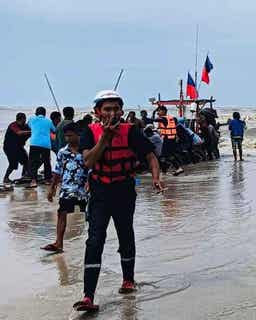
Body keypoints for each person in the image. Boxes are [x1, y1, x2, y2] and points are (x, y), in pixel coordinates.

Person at [72, 90, 164, 312]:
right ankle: (88, 296)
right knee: (95, 240)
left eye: (115, 109)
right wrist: (105, 137)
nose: (112, 113)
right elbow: (88, 162)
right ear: (97, 112)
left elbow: (151, 157)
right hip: (99, 192)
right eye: (107, 109)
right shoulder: (89, 133)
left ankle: (128, 279)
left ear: (122, 111)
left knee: (125, 233)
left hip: (123, 190)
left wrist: (156, 178)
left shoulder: (131, 132)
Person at [42, 122, 88, 253]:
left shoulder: (86, 150)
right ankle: (58, 243)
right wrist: (52, 188)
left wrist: (90, 181)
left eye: (70, 136)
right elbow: (57, 171)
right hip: (67, 188)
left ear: (78, 134)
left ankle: (92, 241)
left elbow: (93, 167)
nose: (68, 139)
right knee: (61, 213)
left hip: (84, 188)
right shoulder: (62, 152)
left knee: (90, 215)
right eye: (66, 136)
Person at [27, 106, 57, 188]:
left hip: (34, 143)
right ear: (44, 114)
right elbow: (54, 130)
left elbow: (29, 126)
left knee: (33, 162)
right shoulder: (49, 121)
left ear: (36, 113)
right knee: (47, 162)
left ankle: (33, 180)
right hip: (46, 144)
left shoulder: (31, 119)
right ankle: (47, 180)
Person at [154, 105, 184, 176]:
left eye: (159, 111)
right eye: (157, 111)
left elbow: (152, 120)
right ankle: (164, 172)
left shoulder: (163, 119)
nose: (158, 112)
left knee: (167, 155)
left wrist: (153, 112)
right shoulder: (170, 118)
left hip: (168, 139)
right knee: (164, 156)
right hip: (171, 139)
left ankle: (178, 168)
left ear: (164, 111)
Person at [3, 113, 31, 184]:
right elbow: (19, 133)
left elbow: (31, 131)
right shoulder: (13, 125)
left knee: (26, 160)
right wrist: (31, 132)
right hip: (9, 148)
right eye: (23, 120)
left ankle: (24, 176)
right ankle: (6, 178)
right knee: (13, 164)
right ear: (21, 119)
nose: (24, 121)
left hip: (19, 147)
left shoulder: (25, 126)